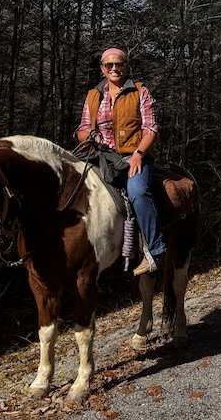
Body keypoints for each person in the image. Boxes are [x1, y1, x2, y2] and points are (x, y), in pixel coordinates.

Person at [76, 48, 164, 276]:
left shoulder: (140, 91)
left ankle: (155, 250)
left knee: (137, 191)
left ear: (127, 67)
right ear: (102, 69)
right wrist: (91, 136)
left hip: (131, 156)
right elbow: (83, 128)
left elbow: (151, 128)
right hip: (99, 156)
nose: (114, 69)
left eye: (119, 64)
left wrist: (138, 154)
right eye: (109, 65)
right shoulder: (93, 94)